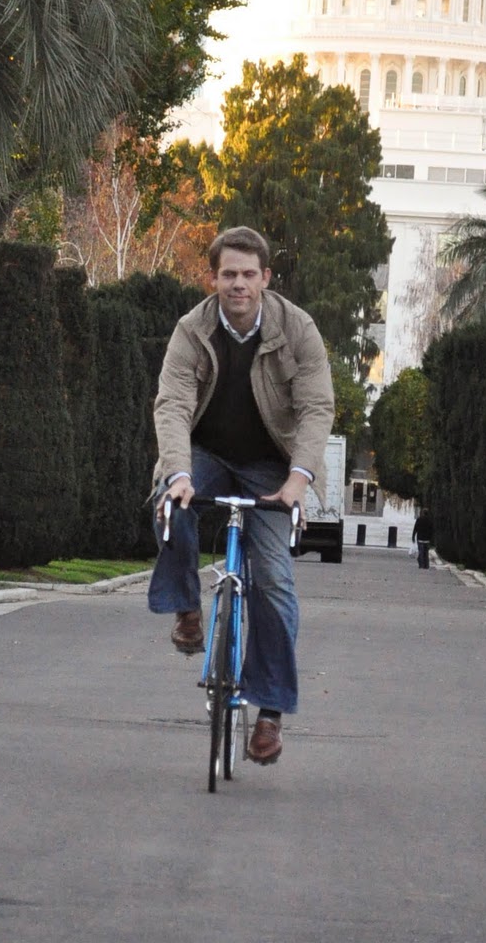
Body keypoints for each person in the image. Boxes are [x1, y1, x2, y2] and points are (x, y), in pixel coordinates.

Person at [148, 226, 335, 767]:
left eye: (249, 274)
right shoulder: (192, 330)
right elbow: (172, 404)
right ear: (213, 278)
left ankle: (269, 712)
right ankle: (187, 608)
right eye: (228, 274)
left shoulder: (298, 329)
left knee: (273, 580)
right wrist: (178, 473)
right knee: (170, 503)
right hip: (206, 455)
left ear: (265, 278)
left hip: (272, 465)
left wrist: (298, 481)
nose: (238, 284)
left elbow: (317, 408)